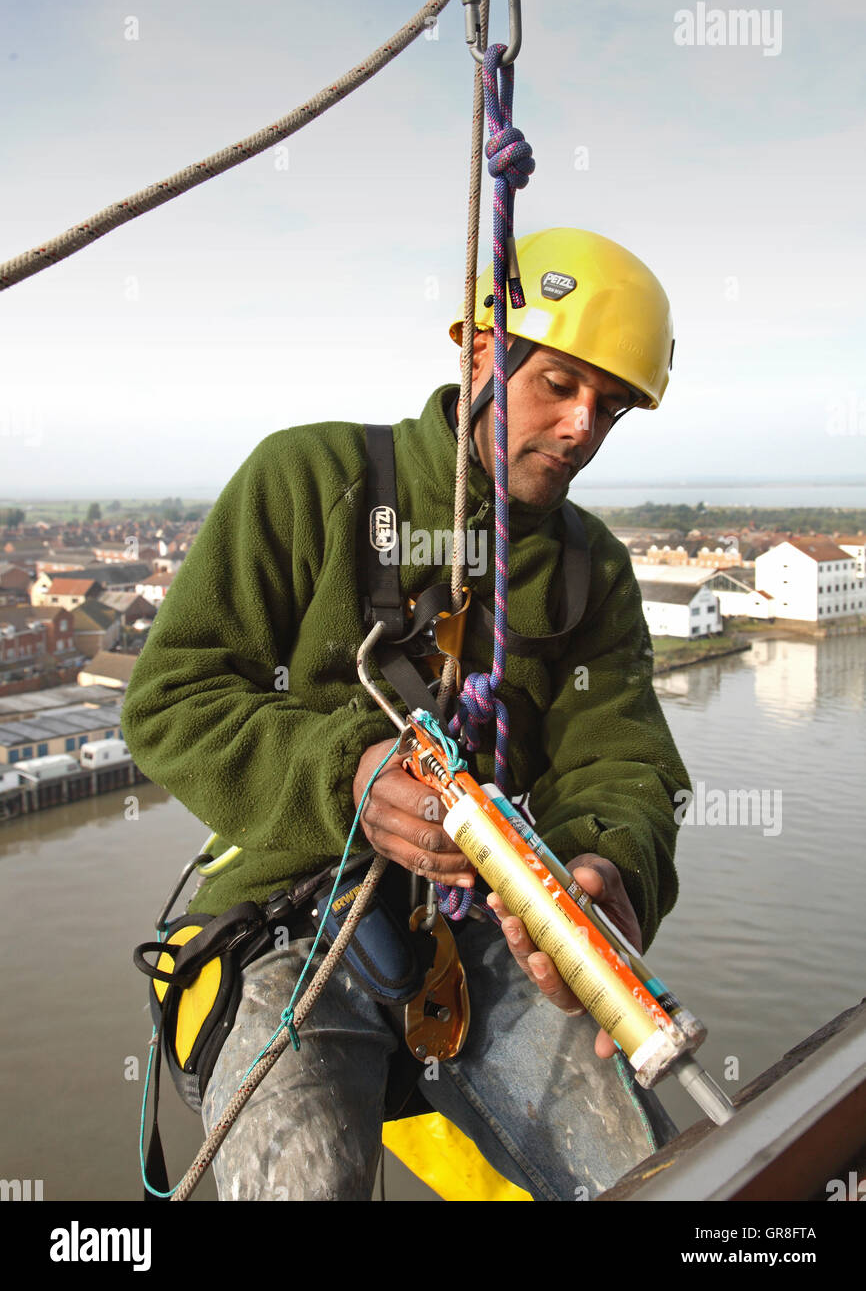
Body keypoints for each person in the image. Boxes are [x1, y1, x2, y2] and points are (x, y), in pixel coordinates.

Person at [121, 225, 691, 1202]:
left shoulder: (591, 568)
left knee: (660, 1180)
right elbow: (175, 697)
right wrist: (346, 770)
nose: (580, 428)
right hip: (285, 922)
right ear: (476, 346)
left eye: (610, 409)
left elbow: (621, 762)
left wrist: (603, 859)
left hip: (487, 934)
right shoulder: (311, 482)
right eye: (556, 383)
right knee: (302, 1179)